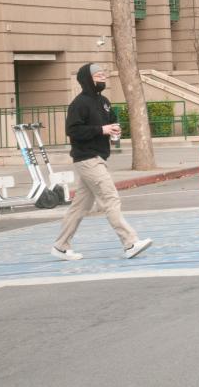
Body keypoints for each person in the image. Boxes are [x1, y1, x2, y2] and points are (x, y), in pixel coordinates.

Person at [51, 64, 152, 261]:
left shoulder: (104, 101)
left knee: (79, 206)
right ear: (87, 79)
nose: (102, 78)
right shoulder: (79, 104)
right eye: (98, 75)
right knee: (110, 198)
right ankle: (130, 242)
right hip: (87, 158)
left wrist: (114, 130)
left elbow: (111, 122)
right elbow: (73, 131)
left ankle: (60, 246)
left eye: (103, 74)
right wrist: (101, 130)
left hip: (98, 158)